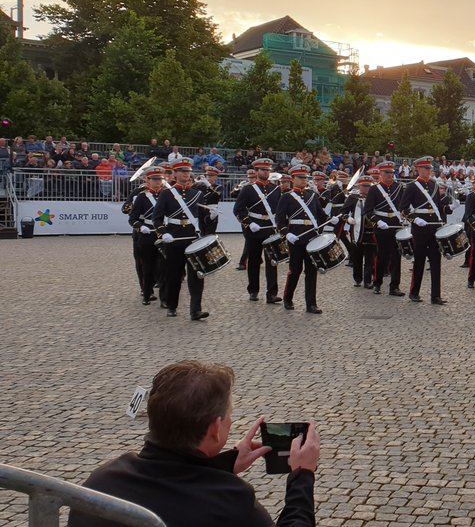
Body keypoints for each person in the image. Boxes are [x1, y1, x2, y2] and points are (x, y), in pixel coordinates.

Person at [67, 360, 319, 527]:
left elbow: (176, 480)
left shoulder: (101, 483)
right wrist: (302, 475)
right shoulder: (230, 503)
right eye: (230, 415)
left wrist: (225, 462)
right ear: (215, 428)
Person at [151, 158, 211, 320]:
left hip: (193, 239)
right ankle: (172, 305)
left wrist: (209, 219)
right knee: (174, 275)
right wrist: (163, 233)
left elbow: (203, 218)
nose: (186, 174)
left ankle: (195, 310)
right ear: (175, 174)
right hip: (174, 239)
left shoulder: (197, 194)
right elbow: (156, 218)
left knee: (197, 275)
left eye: (188, 171)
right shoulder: (167, 194)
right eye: (182, 171)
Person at [397, 156, 451, 304]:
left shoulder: (434, 185)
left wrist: (449, 208)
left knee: (436, 261)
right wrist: (415, 219)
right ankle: (414, 292)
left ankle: (436, 296)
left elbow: (439, 207)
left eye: (430, 169)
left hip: (434, 227)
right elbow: (403, 208)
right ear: (419, 169)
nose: (429, 171)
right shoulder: (412, 186)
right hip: (420, 229)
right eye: (426, 168)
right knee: (419, 261)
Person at [277, 165, 327, 314]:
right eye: (300, 177)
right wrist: (286, 234)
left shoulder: (312, 195)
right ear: (293, 179)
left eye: (305, 177)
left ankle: (311, 304)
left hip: (311, 239)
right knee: (295, 270)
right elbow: (279, 220)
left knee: (311, 272)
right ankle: (288, 298)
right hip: (296, 239)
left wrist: (331, 220)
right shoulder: (286, 197)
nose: (304, 180)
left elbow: (320, 216)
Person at [233, 159, 282, 304]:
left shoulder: (275, 189)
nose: (266, 172)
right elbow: (238, 210)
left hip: (270, 227)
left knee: (272, 261)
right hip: (254, 229)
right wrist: (248, 223)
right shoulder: (248, 189)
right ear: (256, 171)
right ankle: (253, 290)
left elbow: (279, 210)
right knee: (254, 261)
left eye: (268, 170)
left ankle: (272, 293)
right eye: (263, 170)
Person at [364, 161, 404, 295]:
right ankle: (377, 283)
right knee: (381, 256)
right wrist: (377, 222)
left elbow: (404, 207)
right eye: (387, 172)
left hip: (396, 226)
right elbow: (368, 211)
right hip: (381, 227)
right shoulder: (374, 189)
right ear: (381, 173)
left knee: (396, 257)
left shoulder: (399, 188)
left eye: (392, 172)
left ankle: (395, 286)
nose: (390, 175)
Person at [127, 166, 165, 306]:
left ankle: (165, 298)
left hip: (163, 233)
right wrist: (140, 227)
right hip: (147, 234)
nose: (157, 181)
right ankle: (147, 293)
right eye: (154, 179)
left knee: (163, 267)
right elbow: (132, 218)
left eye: (159, 179)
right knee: (148, 267)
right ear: (148, 180)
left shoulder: (167, 194)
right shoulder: (142, 196)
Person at [340, 175, 375, 288]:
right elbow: (342, 213)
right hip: (356, 231)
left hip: (370, 231)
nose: (367, 188)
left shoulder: (375, 197)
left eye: (368, 186)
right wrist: (348, 219)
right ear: (359, 186)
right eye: (364, 186)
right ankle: (357, 278)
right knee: (357, 256)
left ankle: (368, 280)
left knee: (370, 257)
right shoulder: (353, 197)